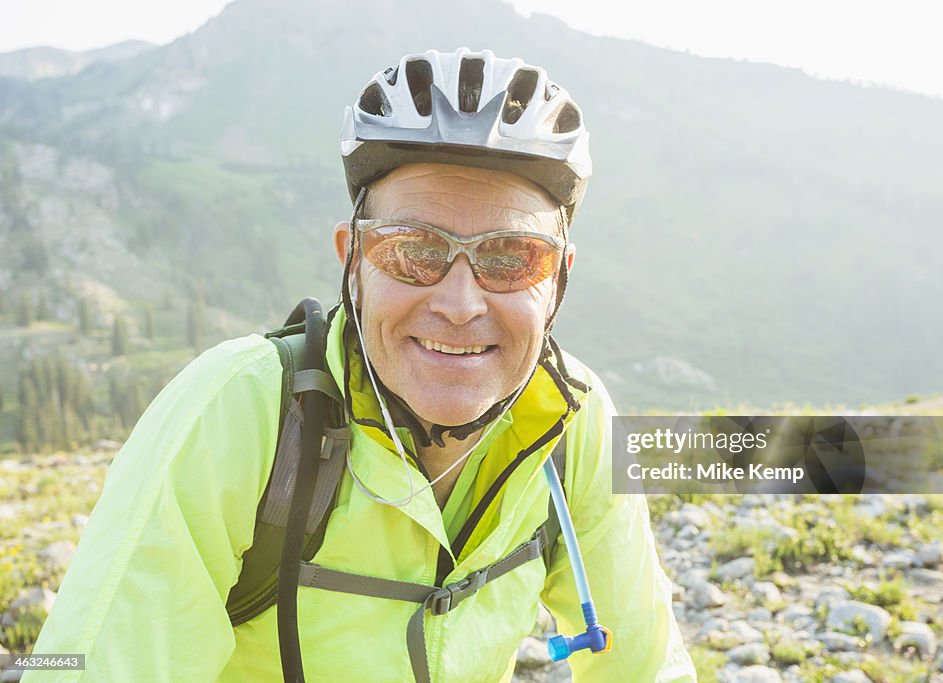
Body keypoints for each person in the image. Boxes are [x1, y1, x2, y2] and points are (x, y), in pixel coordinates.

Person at [27, 48, 696, 682]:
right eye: (413, 250)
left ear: (557, 279)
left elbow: (644, 664)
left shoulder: (573, 421)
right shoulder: (241, 412)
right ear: (353, 261)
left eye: (511, 257)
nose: (460, 303)